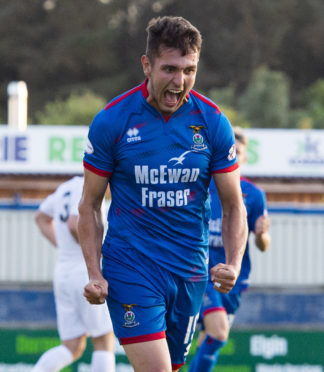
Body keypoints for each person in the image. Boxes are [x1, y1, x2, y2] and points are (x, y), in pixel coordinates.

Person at [78, 16, 248, 372]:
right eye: (169, 69)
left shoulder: (213, 122)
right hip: (131, 267)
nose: (180, 81)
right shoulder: (113, 120)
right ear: (146, 65)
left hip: (188, 272)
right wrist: (95, 272)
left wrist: (233, 262)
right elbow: (90, 205)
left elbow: (233, 206)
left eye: (189, 70)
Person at [188, 127, 271, 372]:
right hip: (202, 273)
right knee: (219, 331)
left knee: (209, 339)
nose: (234, 154)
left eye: (239, 151)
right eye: (230, 149)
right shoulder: (200, 187)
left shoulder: (255, 195)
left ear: (245, 157)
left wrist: (263, 233)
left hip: (234, 280)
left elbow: (262, 245)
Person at [32, 176, 115, 372]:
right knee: (104, 339)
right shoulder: (87, 187)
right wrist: (95, 253)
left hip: (63, 273)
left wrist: (62, 247)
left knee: (72, 347)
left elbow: (41, 218)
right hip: (84, 272)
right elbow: (74, 222)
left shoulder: (65, 188)